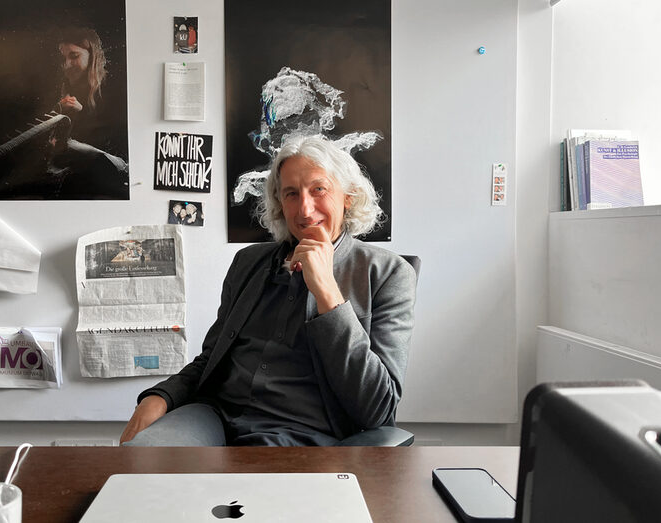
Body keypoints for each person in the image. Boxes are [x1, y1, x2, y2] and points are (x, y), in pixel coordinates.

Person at [121, 135, 416, 446]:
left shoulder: (387, 274)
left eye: (319, 189)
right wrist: (160, 396)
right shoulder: (248, 262)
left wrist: (327, 290)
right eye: (291, 194)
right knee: (143, 457)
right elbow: (211, 358)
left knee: (250, 486)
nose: (304, 209)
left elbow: (378, 409)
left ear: (348, 196)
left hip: (306, 433)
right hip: (214, 419)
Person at [52, 27, 129, 199]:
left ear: (92, 55)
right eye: (63, 58)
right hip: (82, 166)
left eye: (74, 56)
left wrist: (81, 113)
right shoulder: (67, 86)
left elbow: (112, 137)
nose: (66, 64)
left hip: (113, 168)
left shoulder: (114, 86)